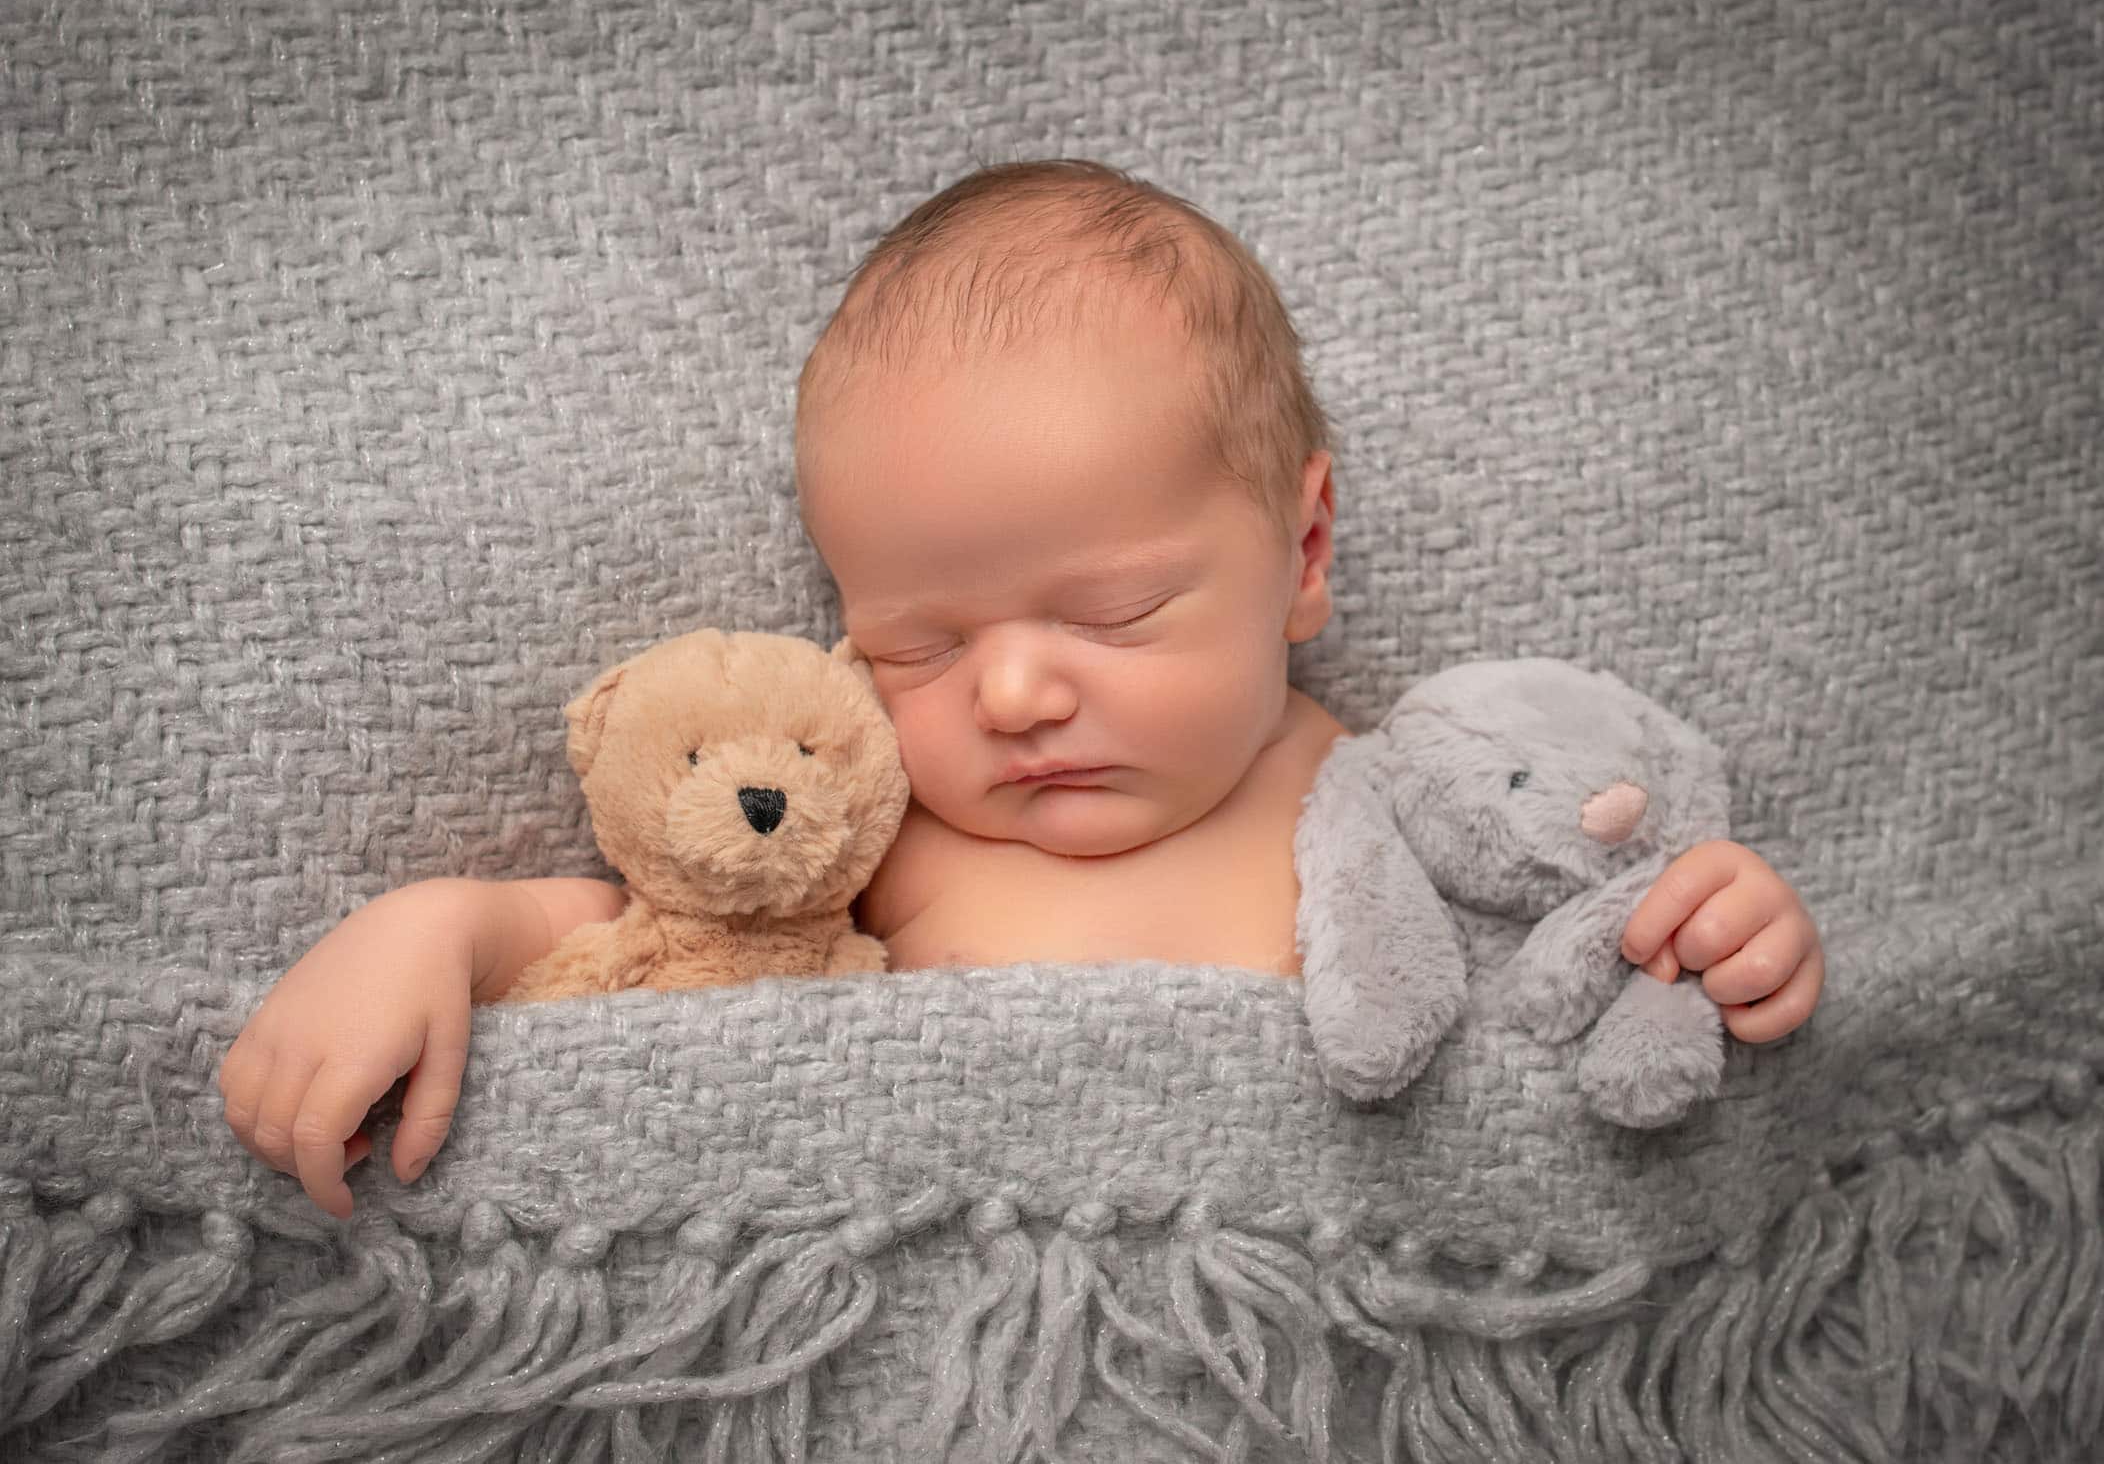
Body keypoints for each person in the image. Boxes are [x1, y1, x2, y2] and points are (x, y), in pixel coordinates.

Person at [221, 160, 1827, 1219]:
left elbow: (1585, 970)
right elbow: (652, 940)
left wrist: (1713, 934)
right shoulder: (895, 837)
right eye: (915, 642)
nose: (1007, 694)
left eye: (1113, 613)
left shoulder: (1415, 808)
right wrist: (435, 927)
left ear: (1305, 548)